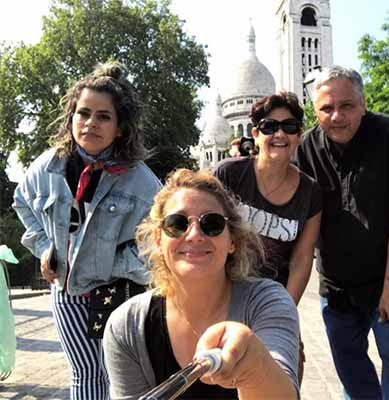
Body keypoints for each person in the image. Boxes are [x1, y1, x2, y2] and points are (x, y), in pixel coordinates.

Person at [12, 61, 161, 399]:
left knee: (119, 372)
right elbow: (22, 202)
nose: (90, 123)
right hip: (67, 292)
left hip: (116, 292)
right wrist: (45, 247)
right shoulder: (47, 166)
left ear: (120, 127)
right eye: (83, 113)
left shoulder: (142, 182)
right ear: (71, 118)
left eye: (103, 116)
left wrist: (113, 264)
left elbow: (157, 241)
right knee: (85, 372)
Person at [294, 66, 389, 400]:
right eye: (326, 108)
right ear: (315, 110)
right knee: (350, 369)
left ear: (363, 103)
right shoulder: (306, 150)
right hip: (338, 285)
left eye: (346, 106)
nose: (336, 116)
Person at [103, 168, 299, 399]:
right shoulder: (126, 325)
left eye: (212, 223)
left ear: (232, 241)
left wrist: (255, 366)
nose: (194, 234)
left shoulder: (266, 302)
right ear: (158, 239)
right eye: (177, 223)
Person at [213, 92, 322, 382]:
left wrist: (282, 310)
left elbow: (301, 260)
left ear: (299, 135)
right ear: (255, 133)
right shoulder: (228, 175)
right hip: (222, 298)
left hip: (271, 300)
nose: (279, 135)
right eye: (269, 126)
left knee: (280, 381)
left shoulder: (310, 192)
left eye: (288, 127)